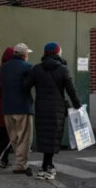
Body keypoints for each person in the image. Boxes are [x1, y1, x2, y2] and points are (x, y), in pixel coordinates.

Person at [25, 42, 82, 180]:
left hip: (41, 108)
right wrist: (78, 105)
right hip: (57, 108)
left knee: (45, 136)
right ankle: (47, 166)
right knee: (53, 136)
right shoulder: (63, 69)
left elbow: (25, 85)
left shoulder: (36, 69)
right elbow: (71, 90)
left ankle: (46, 165)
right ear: (57, 53)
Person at [0, 43, 34, 176]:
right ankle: (20, 165)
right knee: (24, 137)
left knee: (13, 137)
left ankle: (19, 162)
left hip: (7, 107)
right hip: (23, 106)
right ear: (25, 55)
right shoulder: (28, 67)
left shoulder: (4, 68)